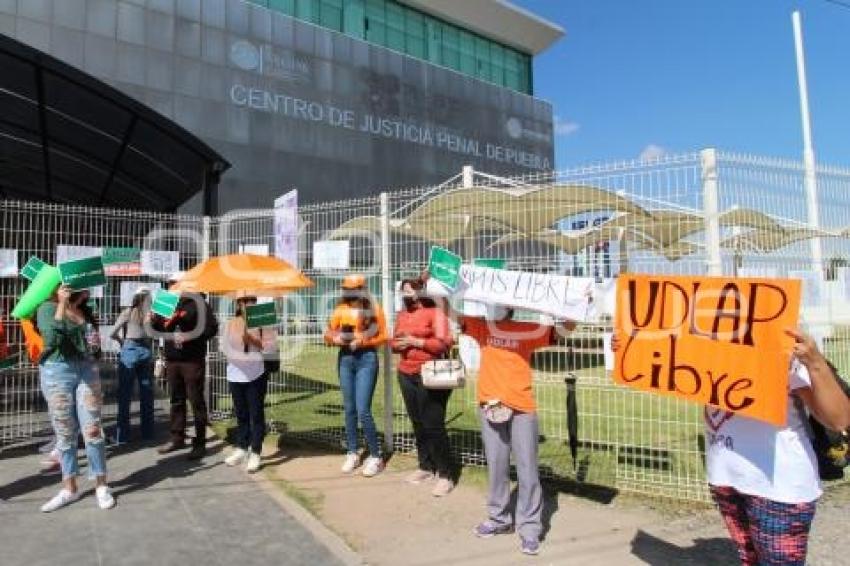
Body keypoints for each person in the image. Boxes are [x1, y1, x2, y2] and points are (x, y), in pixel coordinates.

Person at [611, 328, 850, 565]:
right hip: (727, 477)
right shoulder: (705, 335)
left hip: (778, 485)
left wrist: (815, 362)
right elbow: (666, 366)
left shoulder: (779, 335)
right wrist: (632, 349)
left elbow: (838, 419)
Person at [451, 294, 575, 557]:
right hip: (490, 407)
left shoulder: (526, 329)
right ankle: (499, 519)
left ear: (510, 306)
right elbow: (449, 312)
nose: (494, 307)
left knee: (527, 469)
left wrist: (574, 305)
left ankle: (530, 529)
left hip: (522, 408)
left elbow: (562, 331)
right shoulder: (481, 326)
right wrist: (433, 283)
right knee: (497, 466)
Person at [36, 286, 115, 512]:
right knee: (64, 431)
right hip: (57, 370)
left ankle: (101, 485)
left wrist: (94, 342)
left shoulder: (85, 311)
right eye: (85, 290)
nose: (88, 294)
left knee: (93, 429)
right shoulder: (47, 308)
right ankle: (69, 488)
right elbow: (52, 338)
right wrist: (61, 303)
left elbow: (94, 346)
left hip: (87, 369)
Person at [390, 277, 455, 496]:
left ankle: (446, 474)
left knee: (433, 424)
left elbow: (445, 342)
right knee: (417, 422)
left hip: (431, 374)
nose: (407, 293)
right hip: (406, 373)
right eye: (404, 290)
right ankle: (426, 466)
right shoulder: (402, 314)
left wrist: (416, 342)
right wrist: (397, 344)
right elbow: (394, 341)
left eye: (411, 290)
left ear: (422, 292)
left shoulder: (435, 312)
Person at [324, 274, 388, 477]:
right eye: (346, 289)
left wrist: (363, 341)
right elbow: (328, 333)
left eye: (352, 289)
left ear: (362, 289)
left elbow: (385, 335)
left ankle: (376, 456)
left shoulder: (374, 309)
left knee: (363, 410)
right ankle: (352, 452)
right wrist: (336, 338)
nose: (348, 293)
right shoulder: (341, 309)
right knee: (349, 408)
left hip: (366, 359)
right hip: (345, 358)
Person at [150, 275, 219, 460]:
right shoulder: (166, 301)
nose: (171, 286)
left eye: (174, 283)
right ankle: (177, 437)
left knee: (196, 401)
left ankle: (200, 443)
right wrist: (153, 319)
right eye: (170, 284)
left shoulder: (198, 302)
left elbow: (211, 328)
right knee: (176, 399)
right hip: (172, 359)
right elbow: (158, 327)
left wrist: (191, 336)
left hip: (192, 360)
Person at [223, 295, 276, 473]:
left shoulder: (263, 318)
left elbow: (270, 348)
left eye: (252, 300)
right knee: (241, 413)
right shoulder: (231, 322)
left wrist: (252, 340)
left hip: (256, 373)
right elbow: (223, 346)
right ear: (238, 303)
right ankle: (241, 447)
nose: (249, 303)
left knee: (256, 413)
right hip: (235, 374)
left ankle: (256, 451)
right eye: (245, 301)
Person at [110, 287, 155, 444]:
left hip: (129, 349)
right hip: (146, 351)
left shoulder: (127, 312)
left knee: (125, 394)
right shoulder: (150, 315)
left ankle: (122, 436)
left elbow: (112, 332)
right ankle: (148, 433)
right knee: (147, 393)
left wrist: (121, 341)